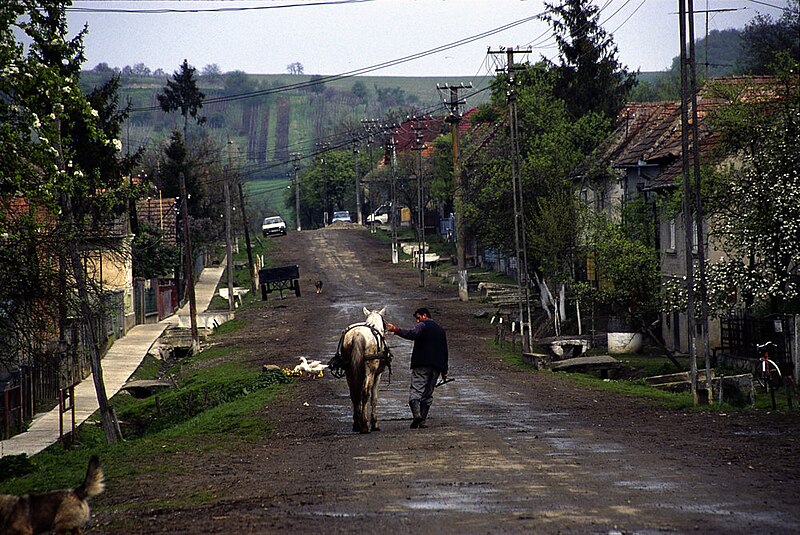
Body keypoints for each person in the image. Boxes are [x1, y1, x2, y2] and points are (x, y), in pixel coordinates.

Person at [386, 307, 448, 429]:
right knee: (428, 394)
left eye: (418, 318)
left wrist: (396, 329)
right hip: (436, 367)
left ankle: (417, 416)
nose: (417, 321)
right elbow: (444, 351)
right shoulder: (441, 330)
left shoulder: (423, 325)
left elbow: (412, 334)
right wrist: (444, 371)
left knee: (416, 391)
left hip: (421, 364)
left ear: (425, 316)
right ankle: (422, 421)